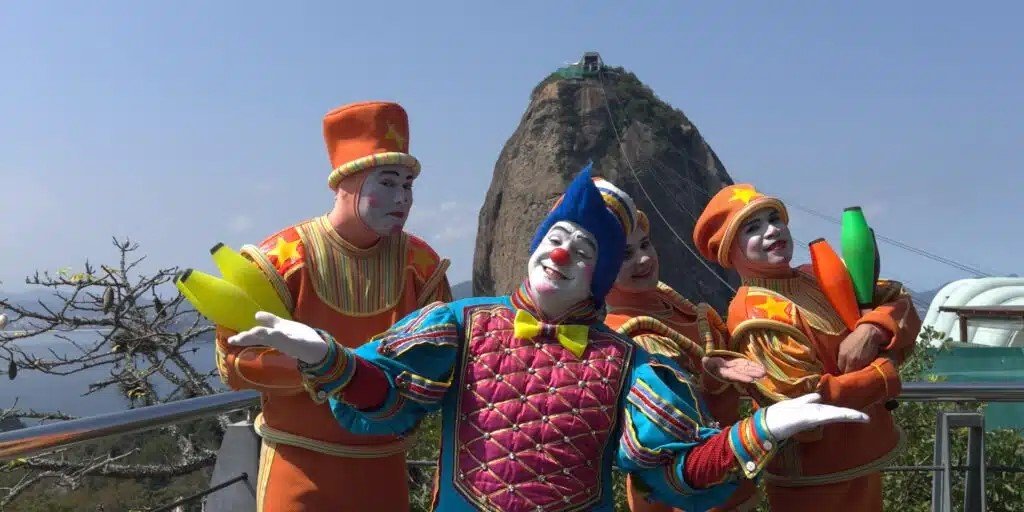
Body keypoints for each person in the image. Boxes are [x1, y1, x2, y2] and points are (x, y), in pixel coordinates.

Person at [228, 166, 871, 512]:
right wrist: (326, 355)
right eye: (557, 238)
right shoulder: (462, 323)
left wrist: (763, 427)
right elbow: (390, 394)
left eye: (583, 250)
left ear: (598, 276)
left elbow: (675, 470)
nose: (562, 253)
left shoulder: (629, 362)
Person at [213, 101, 453, 511]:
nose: (402, 198)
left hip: (384, 465)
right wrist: (315, 368)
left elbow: (443, 359)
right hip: (299, 466)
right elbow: (232, 362)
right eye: (387, 183)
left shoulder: (421, 266)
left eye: (408, 185)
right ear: (346, 184)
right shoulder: (281, 260)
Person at [693, 184, 921, 512]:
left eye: (775, 219)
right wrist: (884, 373)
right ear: (730, 250)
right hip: (815, 477)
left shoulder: (814, 275)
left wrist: (872, 328)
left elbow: (900, 301)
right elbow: (805, 399)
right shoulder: (755, 312)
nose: (772, 230)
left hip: (861, 455)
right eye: (753, 228)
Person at [604, 208, 759, 512]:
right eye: (625, 255)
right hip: (685, 497)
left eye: (645, 244)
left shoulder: (670, 303)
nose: (644, 259)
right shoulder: (623, 336)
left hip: (735, 477)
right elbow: (673, 430)